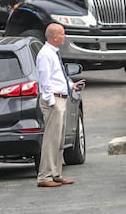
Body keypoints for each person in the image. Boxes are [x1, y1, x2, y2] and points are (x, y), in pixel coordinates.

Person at [36, 23, 86, 187]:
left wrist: (70, 86)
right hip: (54, 101)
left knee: (58, 139)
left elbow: (57, 77)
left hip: (61, 97)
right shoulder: (45, 54)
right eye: (63, 34)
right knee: (51, 139)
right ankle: (45, 176)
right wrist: (52, 102)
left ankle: (56, 173)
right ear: (55, 37)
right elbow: (45, 80)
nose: (64, 37)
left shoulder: (54, 53)